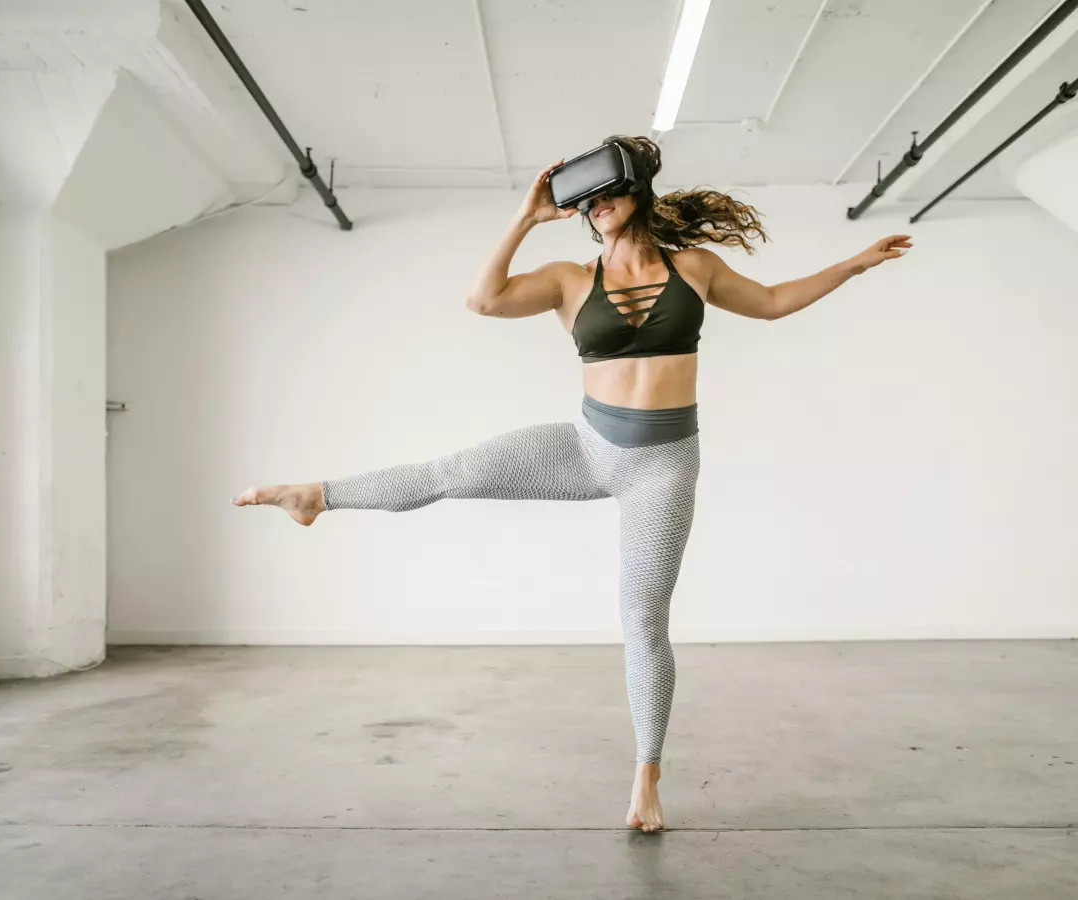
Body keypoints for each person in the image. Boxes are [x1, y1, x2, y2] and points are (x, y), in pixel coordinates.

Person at [233, 135, 912, 833]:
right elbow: (483, 299)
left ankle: (647, 776)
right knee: (451, 471)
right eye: (586, 203)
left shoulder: (696, 268)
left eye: (606, 195)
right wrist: (527, 217)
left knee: (644, 621)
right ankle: (314, 495)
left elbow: (770, 302)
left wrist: (853, 266)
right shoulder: (568, 279)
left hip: (664, 465)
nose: (596, 209)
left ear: (636, 194)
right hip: (585, 447)